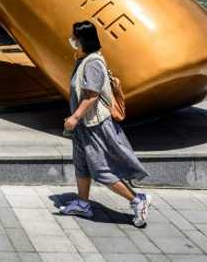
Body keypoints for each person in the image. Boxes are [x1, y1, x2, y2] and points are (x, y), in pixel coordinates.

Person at [57, 20, 151, 227]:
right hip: (84, 126)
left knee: (100, 169)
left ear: (82, 39)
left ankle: (137, 200)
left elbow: (92, 95)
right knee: (81, 166)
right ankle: (83, 204)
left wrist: (75, 117)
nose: (71, 40)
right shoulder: (84, 60)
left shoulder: (93, 63)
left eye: (74, 36)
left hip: (94, 125)